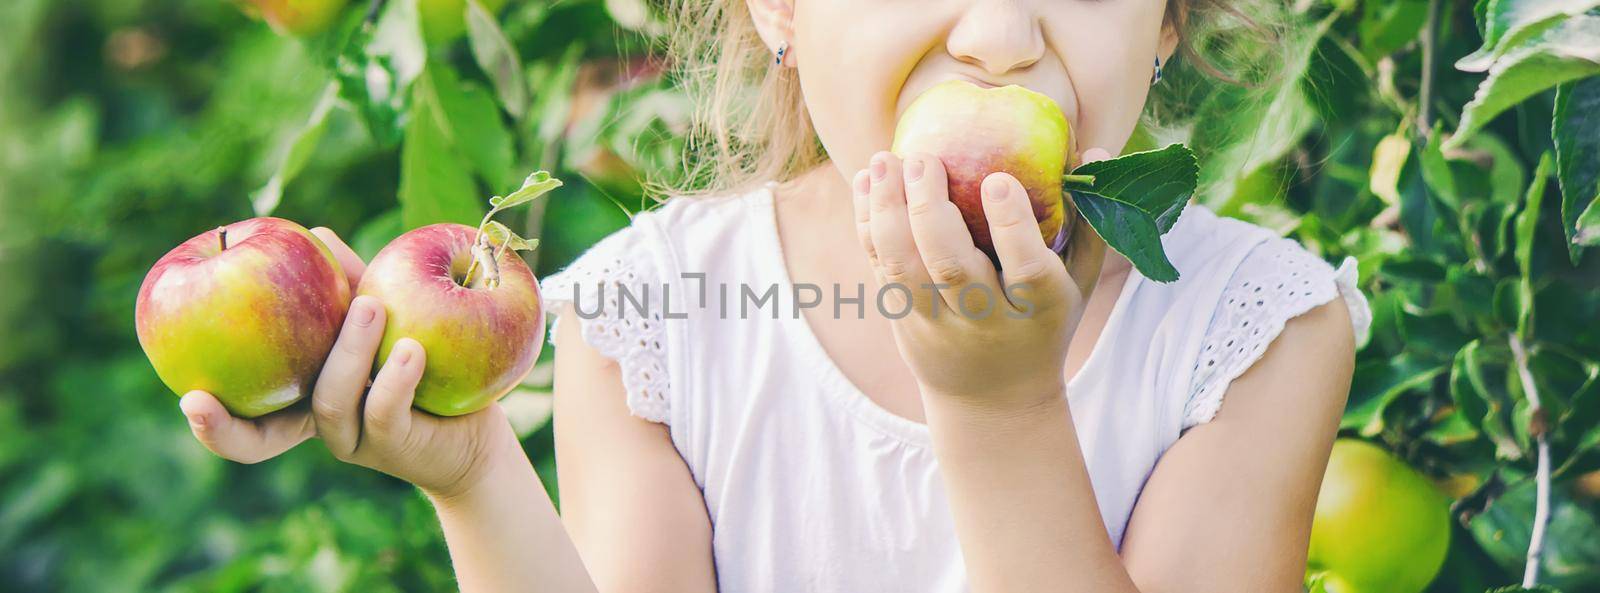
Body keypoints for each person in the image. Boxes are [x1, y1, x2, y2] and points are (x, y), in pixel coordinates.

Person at [178, 1, 1373, 591]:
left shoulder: (1255, 329)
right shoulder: (658, 315)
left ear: (1166, 19)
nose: (1004, 36)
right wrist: (477, 474)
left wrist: (1000, 410)